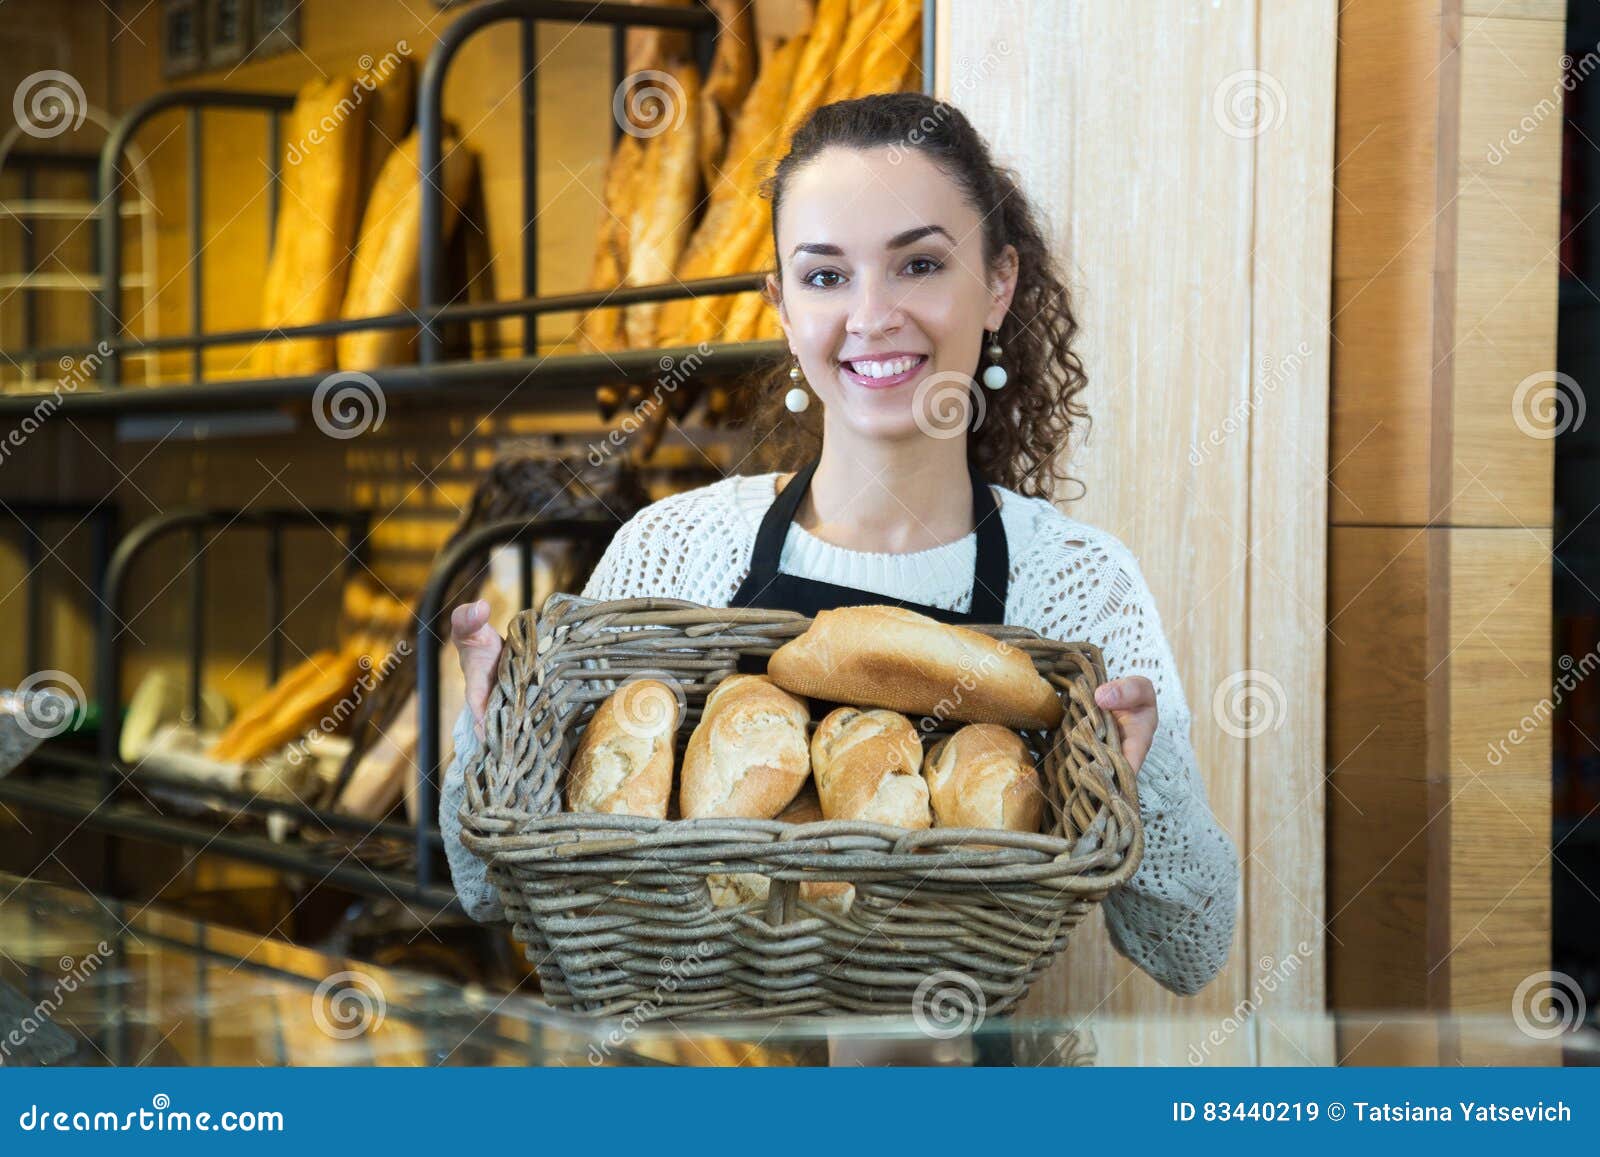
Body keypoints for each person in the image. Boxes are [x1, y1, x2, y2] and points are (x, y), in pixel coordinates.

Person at [439, 92, 1239, 1021]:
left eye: (920, 264)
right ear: (781, 306)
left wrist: (1146, 783)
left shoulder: (1080, 583)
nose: (871, 315)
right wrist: (491, 743)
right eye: (825, 277)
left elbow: (1193, 948)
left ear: (999, 283)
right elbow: (491, 890)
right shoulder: (672, 549)